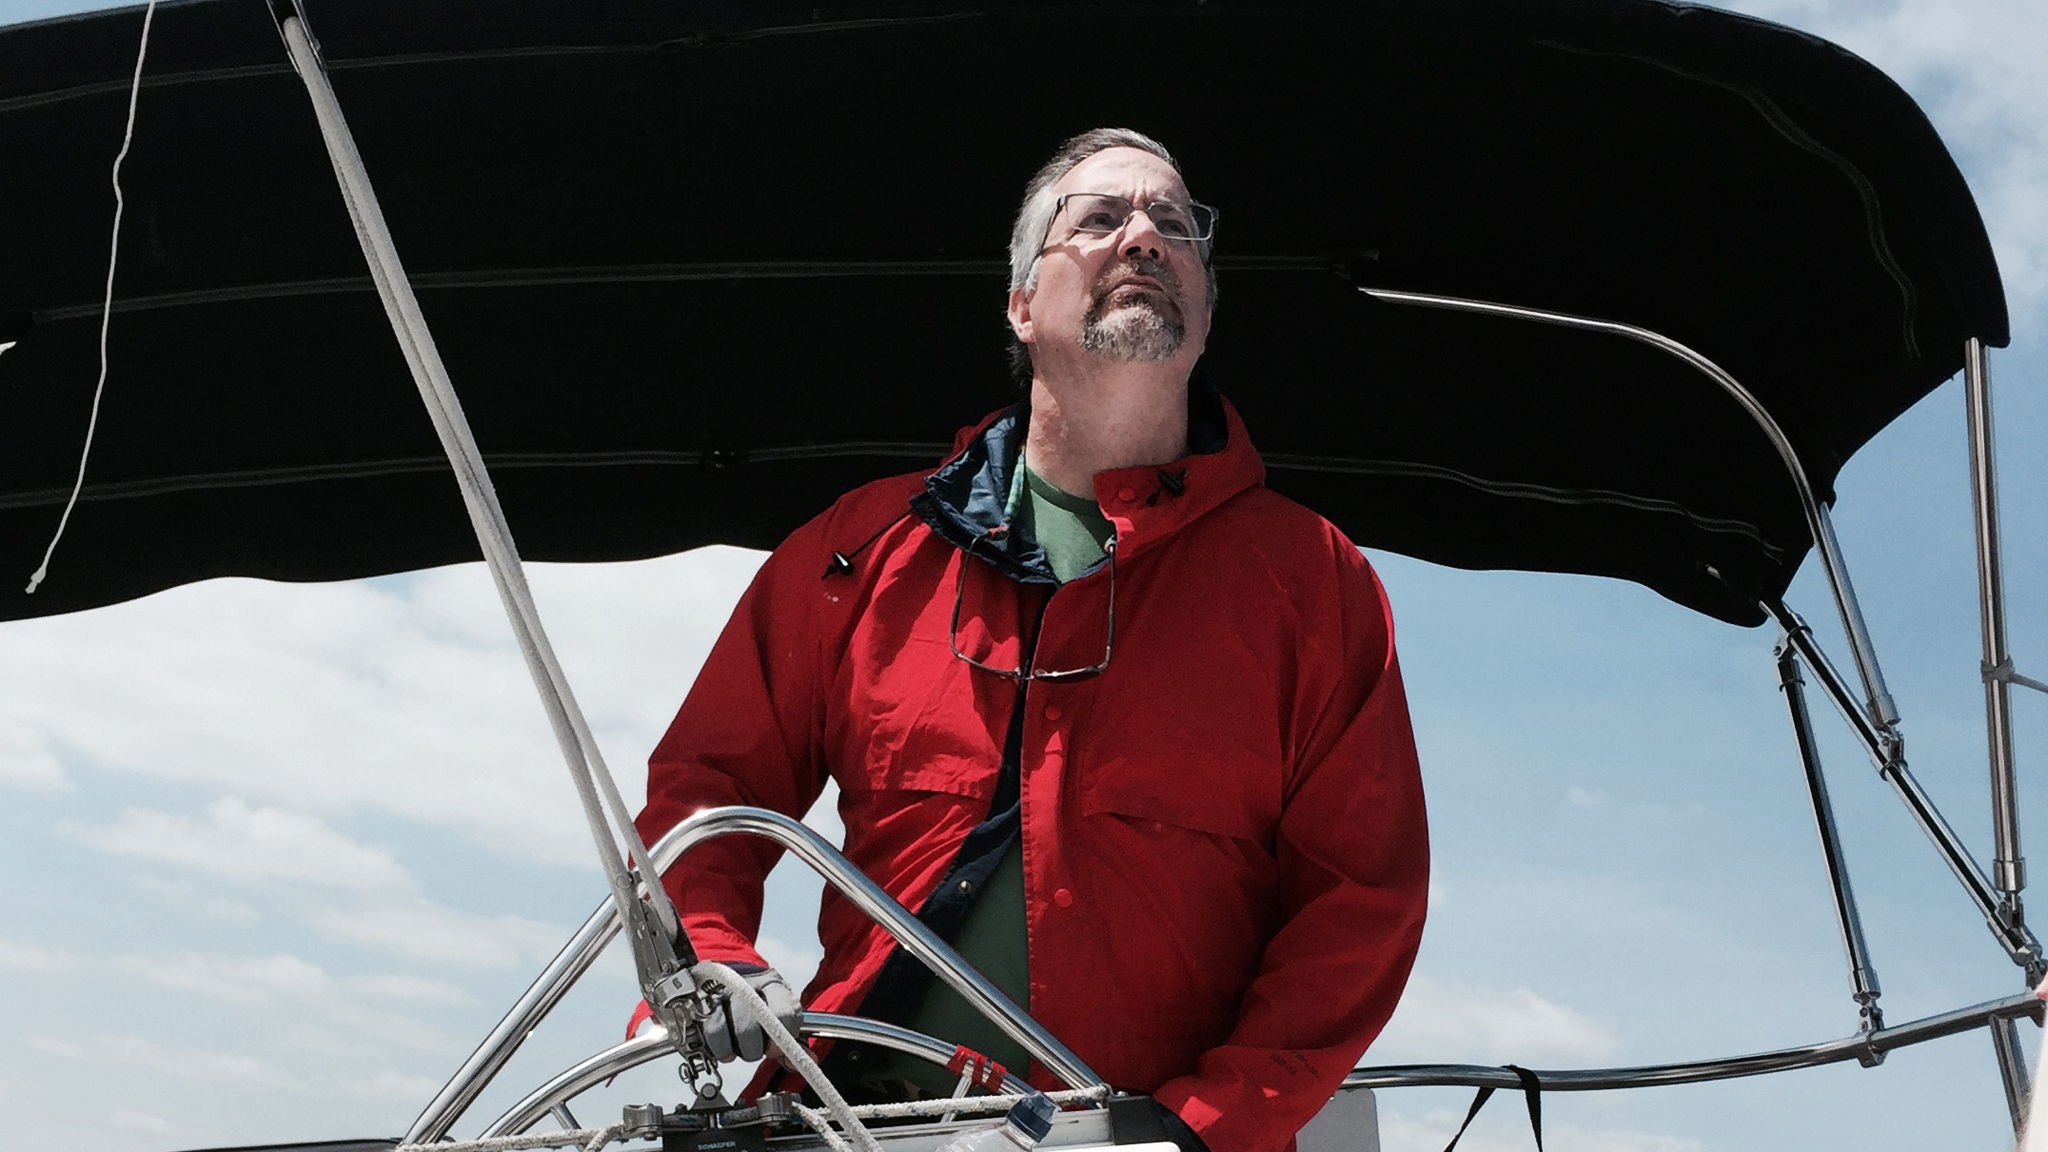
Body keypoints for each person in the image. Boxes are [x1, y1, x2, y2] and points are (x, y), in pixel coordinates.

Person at [635, 127, 1429, 1152]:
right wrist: (710, 948)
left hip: (1148, 1141)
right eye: (1098, 218)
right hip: (851, 1124)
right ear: (1020, 303)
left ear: (1203, 314)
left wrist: (1201, 1130)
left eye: (1175, 225)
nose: (1143, 235)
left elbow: (1359, 901)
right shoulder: (854, 551)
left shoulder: (1314, 583)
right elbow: (706, 791)